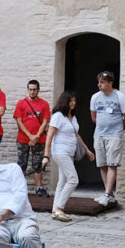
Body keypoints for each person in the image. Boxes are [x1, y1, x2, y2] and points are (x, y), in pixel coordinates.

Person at [89, 72, 125, 208]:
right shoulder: (95, 97)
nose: (99, 85)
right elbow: (93, 117)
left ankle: (107, 194)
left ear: (110, 82)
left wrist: (118, 130)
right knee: (102, 163)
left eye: (102, 82)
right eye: (99, 82)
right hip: (99, 134)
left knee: (112, 163)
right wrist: (103, 125)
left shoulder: (120, 97)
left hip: (114, 135)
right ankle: (108, 193)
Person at [44, 91, 83, 222]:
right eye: (70, 101)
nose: (73, 103)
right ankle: (60, 208)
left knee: (62, 182)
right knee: (73, 179)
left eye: (74, 101)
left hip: (70, 152)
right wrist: (46, 155)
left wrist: (87, 150)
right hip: (60, 152)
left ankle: (55, 210)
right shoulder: (58, 116)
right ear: (64, 102)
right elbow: (49, 136)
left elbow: (76, 135)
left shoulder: (72, 117)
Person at [12, 80, 52, 197]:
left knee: (38, 164)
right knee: (22, 164)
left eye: (34, 89)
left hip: (39, 139)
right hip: (23, 139)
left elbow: (45, 122)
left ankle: (39, 188)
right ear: (27, 89)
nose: (32, 91)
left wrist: (36, 136)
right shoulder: (21, 103)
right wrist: (30, 136)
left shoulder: (44, 104)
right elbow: (19, 121)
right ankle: (20, 188)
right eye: (30, 89)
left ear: (38, 90)